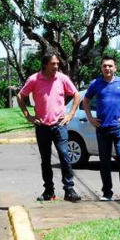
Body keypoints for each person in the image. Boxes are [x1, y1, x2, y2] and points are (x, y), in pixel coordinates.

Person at [18, 52, 82, 202]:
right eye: (53, 64)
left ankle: (69, 189)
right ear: (45, 65)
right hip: (42, 126)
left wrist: (70, 115)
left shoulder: (62, 78)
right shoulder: (34, 79)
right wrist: (29, 116)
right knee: (45, 160)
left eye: (57, 64)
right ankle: (49, 191)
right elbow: (21, 96)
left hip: (59, 125)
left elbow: (76, 95)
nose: (56, 66)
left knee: (64, 155)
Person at [83, 55, 120, 201]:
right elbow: (86, 100)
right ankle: (107, 193)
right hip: (102, 128)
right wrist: (90, 118)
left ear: (115, 67)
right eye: (105, 66)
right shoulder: (95, 84)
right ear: (101, 68)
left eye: (110, 66)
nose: (107, 68)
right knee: (104, 161)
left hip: (119, 128)